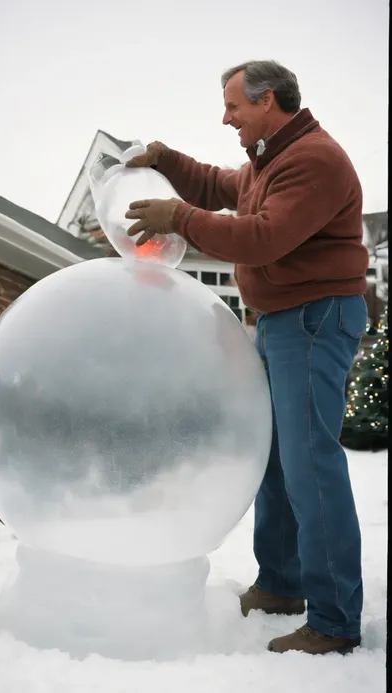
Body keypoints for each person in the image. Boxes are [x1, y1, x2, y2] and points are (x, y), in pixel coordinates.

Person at [124, 60, 369, 655]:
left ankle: (335, 621)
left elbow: (263, 237)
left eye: (234, 105)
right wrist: (164, 159)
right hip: (284, 321)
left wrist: (177, 218)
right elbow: (216, 184)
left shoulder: (314, 160)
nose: (225, 117)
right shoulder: (269, 161)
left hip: (314, 319)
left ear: (269, 102)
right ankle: (284, 584)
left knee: (310, 464)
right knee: (276, 460)